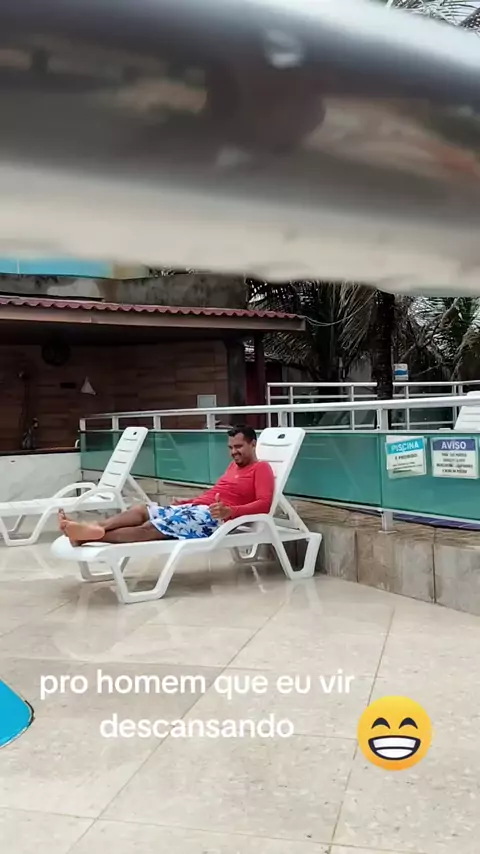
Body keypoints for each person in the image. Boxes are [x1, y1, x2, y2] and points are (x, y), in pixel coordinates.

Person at [59, 424, 275, 546]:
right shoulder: (233, 466)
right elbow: (217, 493)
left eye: (239, 447)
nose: (234, 452)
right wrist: (190, 501)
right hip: (196, 508)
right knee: (141, 510)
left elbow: (264, 504)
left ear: (253, 444)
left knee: (149, 529)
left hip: (214, 519)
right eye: (230, 447)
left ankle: (88, 536)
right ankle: (95, 527)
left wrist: (230, 511)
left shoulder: (261, 468)